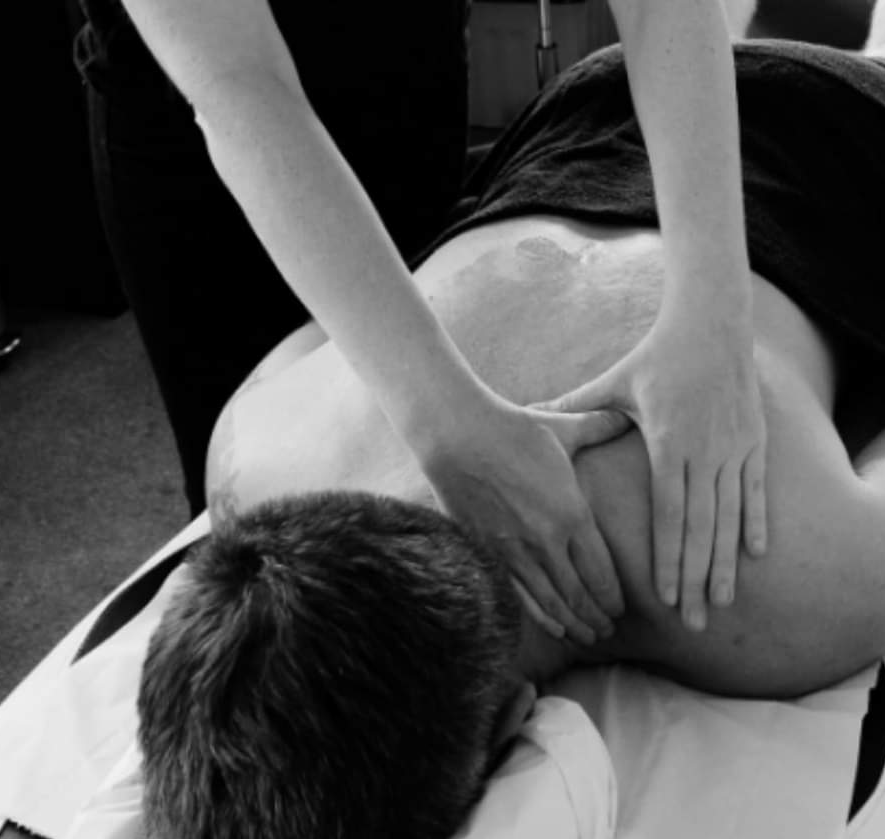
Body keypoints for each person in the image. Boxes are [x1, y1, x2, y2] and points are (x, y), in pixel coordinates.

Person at [136, 0, 885, 839]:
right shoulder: (255, 461)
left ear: (516, 727)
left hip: (851, 133)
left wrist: (741, 338)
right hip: (583, 114)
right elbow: (303, 329)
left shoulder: (755, 578)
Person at [75, 0, 778, 648]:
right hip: (217, 167)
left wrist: (712, 309)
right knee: (287, 586)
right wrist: (450, 423)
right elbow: (241, 86)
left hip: (407, 89)